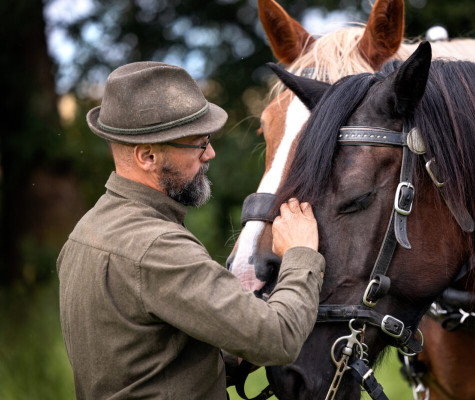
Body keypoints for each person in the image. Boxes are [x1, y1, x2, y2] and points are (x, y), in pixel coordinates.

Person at [57, 61, 325, 399]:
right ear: (147, 156)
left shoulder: (86, 231)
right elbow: (280, 338)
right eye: (197, 143)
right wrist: (301, 255)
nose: (210, 153)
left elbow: (146, 361)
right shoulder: (157, 247)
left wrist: (234, 340)